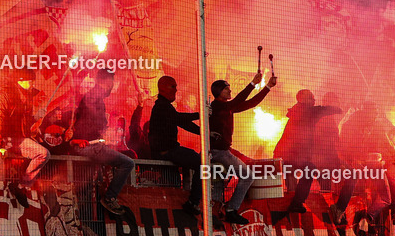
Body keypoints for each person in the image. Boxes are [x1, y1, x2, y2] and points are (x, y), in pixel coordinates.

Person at [273, 89, 354, 225]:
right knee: (335, 179)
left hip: (296, 157)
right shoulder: (310, 112)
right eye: (311, 98)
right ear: (303, 100)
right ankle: (332, 212)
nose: (314, 100)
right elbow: (329, 113)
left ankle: (296, 205)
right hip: (307, 159)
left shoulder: (298, 112)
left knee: (306, 174)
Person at [209, 72, 276, 225]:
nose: (230, 91)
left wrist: (267, 87)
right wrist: (252, 84)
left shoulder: (226, 108)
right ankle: (231, 210)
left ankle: (217, 213)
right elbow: (240, 100)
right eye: (227, 89)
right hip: (219, 153)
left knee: (220, 181)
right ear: (219, 92)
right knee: (247, 175)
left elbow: (250, 103)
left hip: (220, 152)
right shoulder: (218, 106)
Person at [70, 70, 134, 216]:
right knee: (128, 163)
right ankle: (110, 198)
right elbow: (90, 124)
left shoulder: (95, 97)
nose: (112, 86)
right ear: (107, 81)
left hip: (89, 146)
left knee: (86, 186)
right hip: (88, 146)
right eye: (112, 82)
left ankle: (85, 218)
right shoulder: (94, 96)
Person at [0, 77, 49, 209]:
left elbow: (25, 125)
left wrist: (36, 117)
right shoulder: (4, 94)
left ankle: (21, 186)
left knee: (43, 154)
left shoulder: (26, 99)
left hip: (13, 139)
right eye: (30, 81)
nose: (32, 84)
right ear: (21, 80)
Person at [148, 76, 202, 214]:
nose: (176, 89)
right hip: (168, 151)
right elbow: (179, 119)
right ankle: (194, 202)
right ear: (164, 88)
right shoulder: (161, 107)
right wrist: (200, 114)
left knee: (175, 184)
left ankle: (185, 206)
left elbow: (182, 122)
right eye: (173, 86)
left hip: (169, 151)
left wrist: (204, 132)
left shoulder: (164, 107)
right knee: (203, 164)